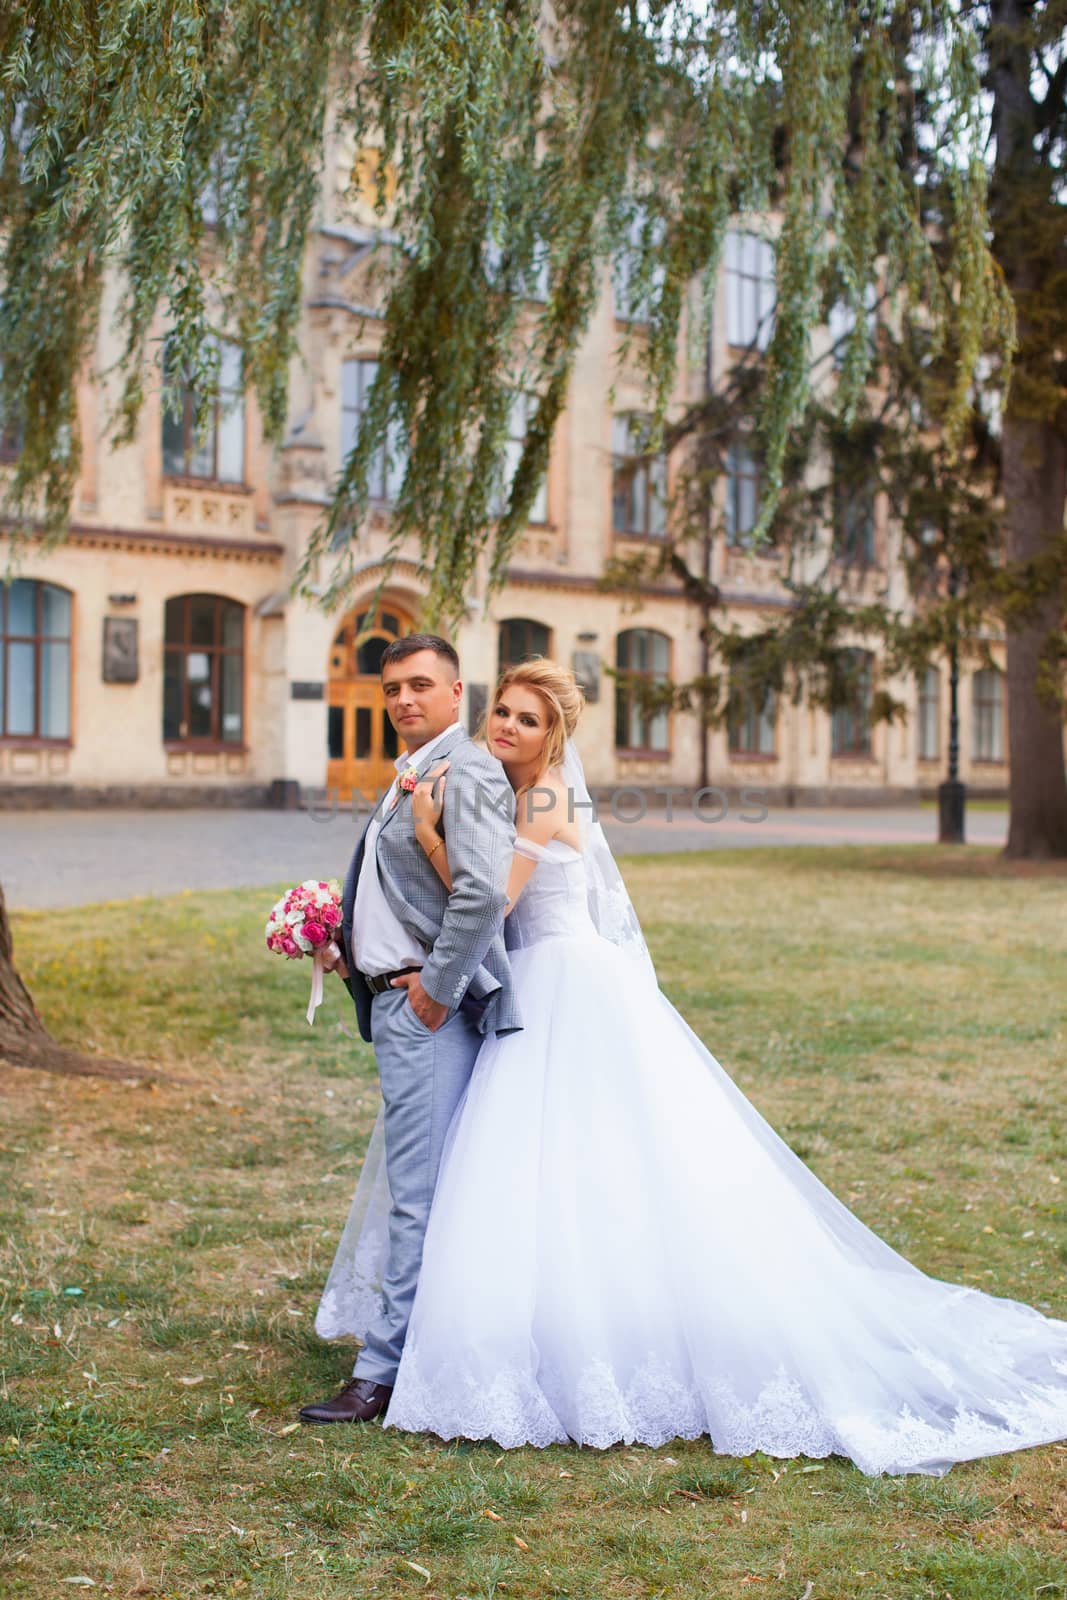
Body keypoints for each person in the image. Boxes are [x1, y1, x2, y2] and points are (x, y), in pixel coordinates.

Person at [313, 657, 1067, 1475]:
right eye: (502, 712)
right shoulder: (506, 788)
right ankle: (547, 1322)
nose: (506, 728)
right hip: (530, 981)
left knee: (582, 1157)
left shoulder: (545, 796)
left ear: (554, 731)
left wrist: (428, 832)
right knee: (554, 1169)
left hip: (564, 984)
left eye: (526, 720)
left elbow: (490, 897)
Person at [298, 634, 520, 1426]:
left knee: (415, 1197)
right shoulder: (409, 775)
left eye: (419, 685)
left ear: (457, 692)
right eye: (392, 687)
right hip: (390, 1000)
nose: (402, 700)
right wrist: (341, 942)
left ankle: (381, 1373)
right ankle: (412, 1346)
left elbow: (480, 894)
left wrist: (433, 990)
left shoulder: (468, 770)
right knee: (414, 1187)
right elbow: (410, 888)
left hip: (424, 1010)